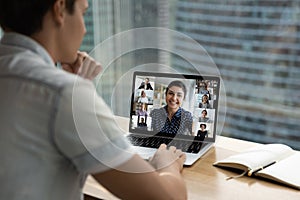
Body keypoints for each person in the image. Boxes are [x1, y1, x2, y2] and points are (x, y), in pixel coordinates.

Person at [0, 1, 187, 200]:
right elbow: (168, 197)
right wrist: (167, 164)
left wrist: (76, 84)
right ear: (60, 9)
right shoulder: (62, 93)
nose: (84, 30)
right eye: (82, 13)